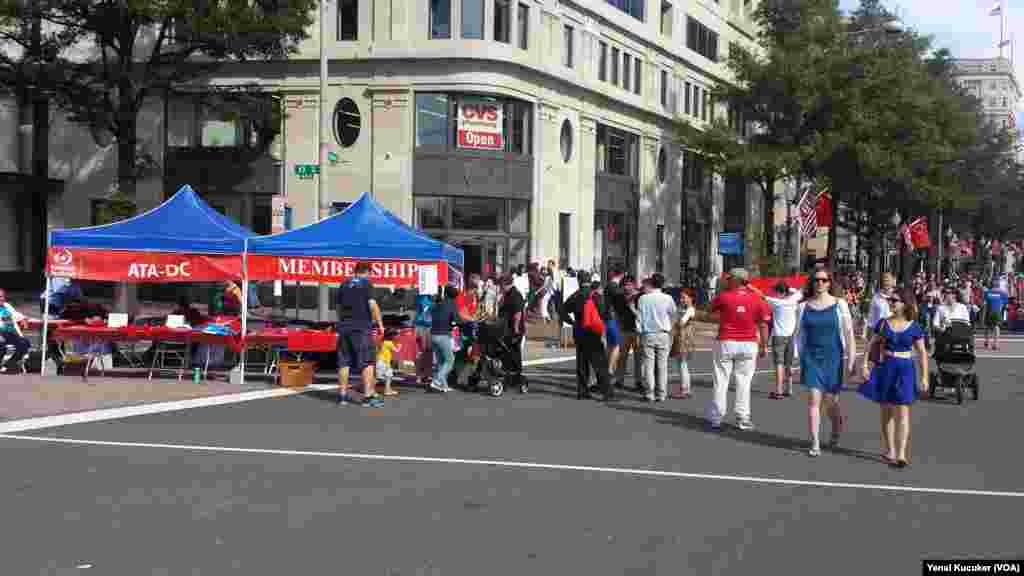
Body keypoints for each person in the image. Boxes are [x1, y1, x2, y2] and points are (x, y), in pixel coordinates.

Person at [859, 289, 929, 468]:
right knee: (887, 411)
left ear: (905, 304)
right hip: (886, 367)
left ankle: (901, 453)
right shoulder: (883, 323)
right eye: (890, 300)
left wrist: (924, 377)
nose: (891, 303)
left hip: (905, 369)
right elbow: (870, 344)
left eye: (895, 300)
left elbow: (922, 352)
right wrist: (864, 365)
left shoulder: (914, 326)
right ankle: (889, 449)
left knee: (903, 411)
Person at [792, 268, 856, 457]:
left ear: (829, 283)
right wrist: (796, 358)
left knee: (830, 402)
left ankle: (836, 426)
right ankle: (815, 442)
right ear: (812, 283)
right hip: (811, 358)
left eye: (824, 280)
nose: (820, 283)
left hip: (833, 358)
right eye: (816, 280)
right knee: (814, 400)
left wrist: (851, 360)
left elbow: (849, 334)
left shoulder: (839, 304)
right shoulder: (803, 306)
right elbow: (798, 335)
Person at [705, 268, 771, 431]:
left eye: (729, 279)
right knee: (744, 381)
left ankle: (717, 417)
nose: (726, 281)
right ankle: (742, 417)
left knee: (721, 379)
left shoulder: (723, 296)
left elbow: (708, 310)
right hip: (748, 343)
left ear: (736, 280)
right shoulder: (756, 298)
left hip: (726, 341)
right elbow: (763, 324)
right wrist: (764, 345)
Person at [336, 262, 385, 407]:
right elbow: (372, 305)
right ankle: (368, 397)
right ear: (367, 272)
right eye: (370, 274)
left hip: (344, 327)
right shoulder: (366, 284)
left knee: (344, 362)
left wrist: (343, 322)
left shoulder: (344, 284)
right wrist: (380, 324)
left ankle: (342, 396)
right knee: (367, 362)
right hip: (361, 327)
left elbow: (338, 307)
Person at [560, 272, 612, 401]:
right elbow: (604, 313)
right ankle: (606, 392)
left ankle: (582, 391)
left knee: (582, 363)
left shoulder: (576, 295)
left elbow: (562, 310)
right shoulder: (595, 295)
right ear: (590, 281)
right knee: (599, 363)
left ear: (579, 281)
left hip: (579, 332)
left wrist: (571, 322)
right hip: (593, 333)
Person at [754, 281, 803, 399]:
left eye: (776, 292)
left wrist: (749, 286)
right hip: (791, 336)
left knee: (779, 363)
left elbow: (760, 295)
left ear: (779, 292)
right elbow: (799, 291)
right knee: (789, 363)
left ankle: (779, 390)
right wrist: (789, 289)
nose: (774, 294)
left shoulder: (776, 302)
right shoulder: (794, 299)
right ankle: (789, 389)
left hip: (779, 336)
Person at [637, 273, 677, 403]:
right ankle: (661, 393)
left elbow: (639, 318)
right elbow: (673, 313)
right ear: (662, 284)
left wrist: (639, 332)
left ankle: (649, 393)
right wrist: (670, 327)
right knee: (662, 365)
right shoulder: (668, 298)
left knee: (648, 365)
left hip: (647, 333)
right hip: (663, 333)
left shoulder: (643, 298)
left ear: (651, 283)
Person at [430, 285, 462, 393]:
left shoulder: (438, 304)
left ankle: (444, 386)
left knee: (441, 362)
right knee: (450, 360)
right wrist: (468, 321)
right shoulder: (452, 304)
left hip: (433, 334)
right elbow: (457, 320)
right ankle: (437, 380)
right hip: (443, 335)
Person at [498, 275, 527, 389]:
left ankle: (517, 378)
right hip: (507, 329)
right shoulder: (507, 294)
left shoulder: (515, 295)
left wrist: (515, 329)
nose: (500, 287)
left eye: (501, 285)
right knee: (507, 354)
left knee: (514, 354)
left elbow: (517, 313)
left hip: (514, 330)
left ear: (505, 284)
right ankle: (509, 377)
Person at [603, 266, 627, 388]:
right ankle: (610, 370)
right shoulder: (615, 287)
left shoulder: (608, 286)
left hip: (608, 318)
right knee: (616, 345)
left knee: (610, 345)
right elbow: (621, 303)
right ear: (622, 274)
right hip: (613, 318)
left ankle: (609, 369)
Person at [0, 289, 34, 373]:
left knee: (24, 343)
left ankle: (9, 365)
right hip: (1, 334)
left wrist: (23, 319)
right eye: (0, 297)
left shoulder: (6, 306)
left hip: (10, 334)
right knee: (1, 344)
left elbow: (16, 314)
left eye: (2, 296)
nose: (2, 299)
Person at [671, 290, 696, 399]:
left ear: (691, 298)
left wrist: (675, 321)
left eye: (684, 298)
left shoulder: (690, 309)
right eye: (681, 298)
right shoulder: (683, 308)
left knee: (682, 364)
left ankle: (685, 389)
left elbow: (681, 322)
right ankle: (685, 388)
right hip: (681, 337)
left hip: (685, 338)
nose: (681, 300)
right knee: (681, 364)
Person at [865, 273, 895, 338]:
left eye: (888, 280)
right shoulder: (876, 297)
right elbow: (871, 318)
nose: (886, 283)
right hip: (879, 334)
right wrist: (868, 335)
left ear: (893, 281)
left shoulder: (898, 297)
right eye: (884, 280)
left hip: (894, 333)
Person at [414, 289, 434, 384]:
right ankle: (421, 374)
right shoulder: (421, 294)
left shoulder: (431, 294)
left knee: (427, 351)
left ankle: (426, 374)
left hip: (427, 325)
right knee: (421, 351)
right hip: (422, 325)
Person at [983, 281, 1008, 350]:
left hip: (989, 311)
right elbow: (1005, 305)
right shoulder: (1003, 293)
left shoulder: (987, 292)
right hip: (997, 312)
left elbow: (984, 304)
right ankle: (995, 344)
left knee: (987, 327)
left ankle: (987, 341)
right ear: (999, 285)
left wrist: (983, 315)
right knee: (996, 327)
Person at [376, 328, 401, 397]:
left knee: (388, 376)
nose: (397, 336)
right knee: (379, 377)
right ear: (391, 335)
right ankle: (366, 387)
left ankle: (387, 390)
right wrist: (399, 346)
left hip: (382, 361)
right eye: (396, 335)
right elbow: (396, 350)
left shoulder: (382, 341)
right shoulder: (389, 343)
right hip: (383, 362)